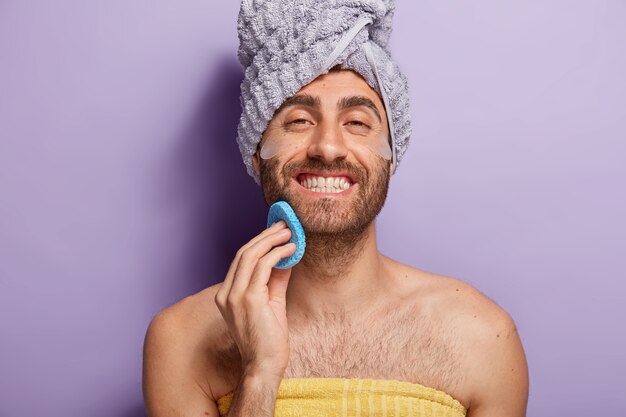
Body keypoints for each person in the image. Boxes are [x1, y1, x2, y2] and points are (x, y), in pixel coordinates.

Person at [142, 1, 529, 416]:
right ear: (256, 154)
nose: (328, 147)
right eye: (299, 121)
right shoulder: (181, 341)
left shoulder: (482, 338)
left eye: (358, 123)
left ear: (391, 156)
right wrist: (259, 374)